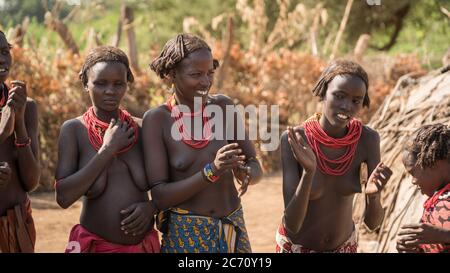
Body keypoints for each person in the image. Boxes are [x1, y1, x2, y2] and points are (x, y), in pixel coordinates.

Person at [144, 33, 263, 253]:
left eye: (210, 73)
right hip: (186, 233)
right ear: (172, 74)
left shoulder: (224, 106)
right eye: (196, 74)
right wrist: (212, 171)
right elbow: (160, 196)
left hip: (232, 226)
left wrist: (246, 172)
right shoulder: (157, 120)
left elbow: (254, 164)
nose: (206, 82)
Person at [276, 59, 393, 253]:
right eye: (339, 96)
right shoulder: (295, 140)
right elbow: (292, 225)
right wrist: (308, 173)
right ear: (323, 93)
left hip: (345, 248)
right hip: (296, 249)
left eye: (356, 100)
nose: (347, 106)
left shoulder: (367, 140)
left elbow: (373, 224)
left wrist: (373, 198)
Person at [55, 46, 159, 253]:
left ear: (127, 84)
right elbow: (64, 197)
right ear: (85, 83)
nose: (110, 91)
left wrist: (152, 207)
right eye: (100, 83)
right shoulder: (74, 130)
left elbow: (169, 184)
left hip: (144, 247)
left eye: (118, 84)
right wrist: (107, 150)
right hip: (94, 246)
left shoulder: (143, 128)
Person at [0, 30, 40, 253]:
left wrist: (20, 122)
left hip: (15, 229)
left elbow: (31, 182)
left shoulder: (26, 106)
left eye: (5, 51)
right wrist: (3, 132)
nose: (1, 59)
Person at [397, 123, 450, 253]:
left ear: (434, 163)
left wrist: (444, 235)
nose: (413, 181)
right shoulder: (438, 198)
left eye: (413, 172)